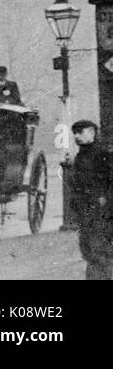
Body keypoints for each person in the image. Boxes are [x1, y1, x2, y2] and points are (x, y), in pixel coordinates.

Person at [69, 120, 113, 280]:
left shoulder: (103, 154)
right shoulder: (82, 155)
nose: (77, 136)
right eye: (75, 133)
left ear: (92, 132)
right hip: (86, 213)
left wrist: (106, 206)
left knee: (100, 254)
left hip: (100, 214)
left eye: (81, 132)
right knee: (89, 251)